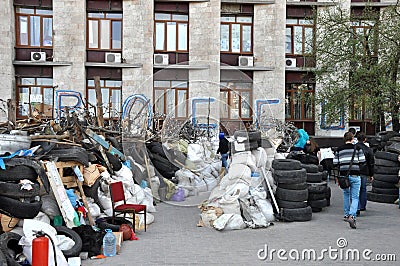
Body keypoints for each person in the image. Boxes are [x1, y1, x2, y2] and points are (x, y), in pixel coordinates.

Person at [333, 131, 366, 229]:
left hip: (344, 176)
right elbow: (363, 161)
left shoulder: (339, 149)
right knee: (355, 197)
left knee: (346, 195)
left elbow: (335, 162)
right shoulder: (358, 148)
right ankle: (352, 216)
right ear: (352, 139)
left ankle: (346, 215)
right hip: (355, 175)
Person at [355, 133, 374, 215]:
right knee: (363, 189)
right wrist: (371, 174)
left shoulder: (354, 147)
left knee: (355, 190)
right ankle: (362, 206)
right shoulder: (368, 149)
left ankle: (357, 206)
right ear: (365, 139)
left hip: (355, 171)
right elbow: (371, 163)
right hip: (364, 171)